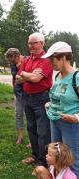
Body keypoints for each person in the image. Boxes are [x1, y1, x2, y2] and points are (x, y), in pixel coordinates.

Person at [41, 41, 79, 178]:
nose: (51, 63)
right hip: (54, 121)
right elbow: (59, 97)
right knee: (55, 156)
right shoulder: (57, 76)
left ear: (63, 57)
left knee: (72, 159)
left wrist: (76, 117)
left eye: (53, 59)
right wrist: (50, 104)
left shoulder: (76, 77)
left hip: (71, 125)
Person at [16, 32, 53, 168]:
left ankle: (43, 162)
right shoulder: (27, 59)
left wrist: (25, 74)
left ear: (42, 43)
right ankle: (35, 155)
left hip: (42, 98)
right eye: (29, 43)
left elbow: (36, 79)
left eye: (34, 43)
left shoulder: (46, 60)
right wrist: (28, 75)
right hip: (27, 97)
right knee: (31, 128)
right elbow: (17, 79)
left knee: (43, 131)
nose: (30, 45)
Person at [4, 48, 31, 147]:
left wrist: (21, 69)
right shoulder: (13, 64)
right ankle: (20, 136)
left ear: (18, 56)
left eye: (13, 60)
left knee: (30, 117)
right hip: (18, 94)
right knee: (18, 114)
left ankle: (32, 140)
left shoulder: (28, 61)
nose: (12, 63)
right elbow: (14, 77)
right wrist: (14, 89)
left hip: (28, 94)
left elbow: (30, 77)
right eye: (10, 61)